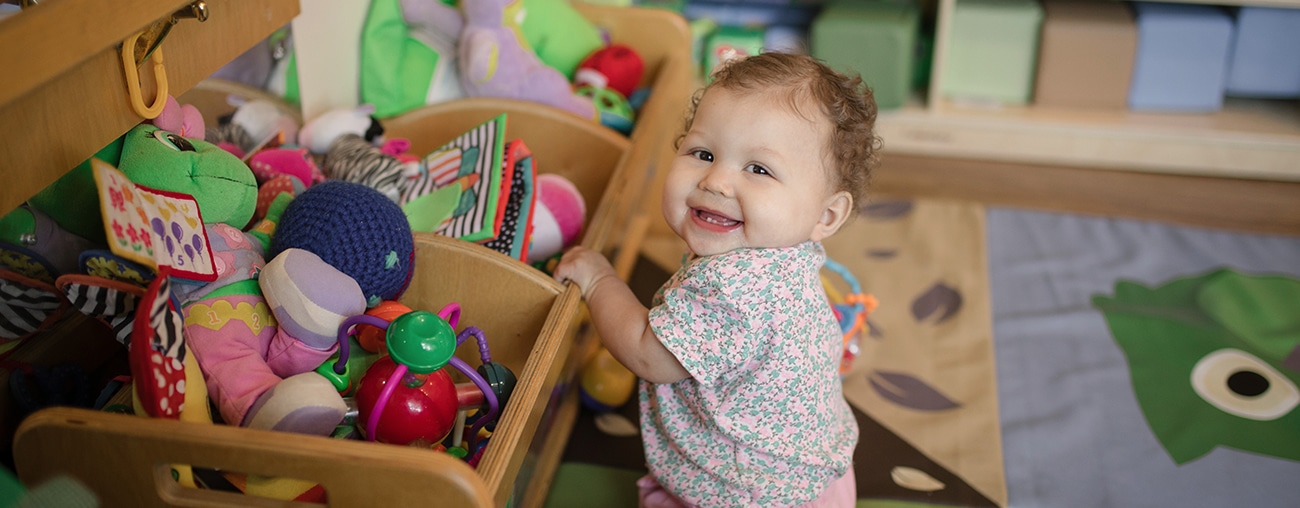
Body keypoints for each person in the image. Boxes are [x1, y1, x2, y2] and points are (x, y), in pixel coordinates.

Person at [553, 51, 879, 507]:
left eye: (759, 169)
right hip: (811, 470)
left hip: (744, 491)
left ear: (826, 214)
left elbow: (649, 356)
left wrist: (598, 279)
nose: (717, 181)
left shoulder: (730, 289)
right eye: (702, 153)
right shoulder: (788, 255)